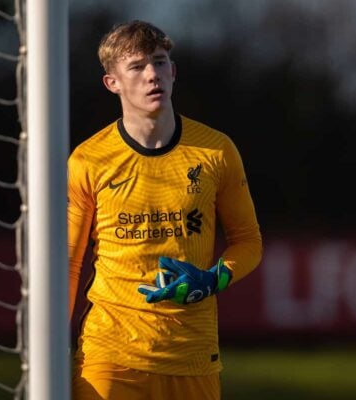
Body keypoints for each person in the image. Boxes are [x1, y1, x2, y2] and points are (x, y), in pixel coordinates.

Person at [68, 20, 262, 400]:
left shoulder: (216, 151)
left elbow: (249, 242)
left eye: (159, 62)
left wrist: (212, 280)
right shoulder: (88, 160)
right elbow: (70, 264)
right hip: (110, 354)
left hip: (191, 355)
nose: (152, 74)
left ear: (173, 71)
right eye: (136, 66)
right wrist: (50, 346)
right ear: (113, 83)